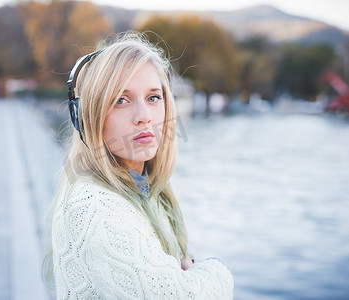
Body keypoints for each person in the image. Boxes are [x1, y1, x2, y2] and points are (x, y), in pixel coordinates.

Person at [43, 33, 233, 299]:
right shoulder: (95, 206)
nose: (144, 116)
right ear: (87, 116)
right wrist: (217, 271)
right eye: (121, 100)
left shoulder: (148, 189)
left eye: (153, 98)